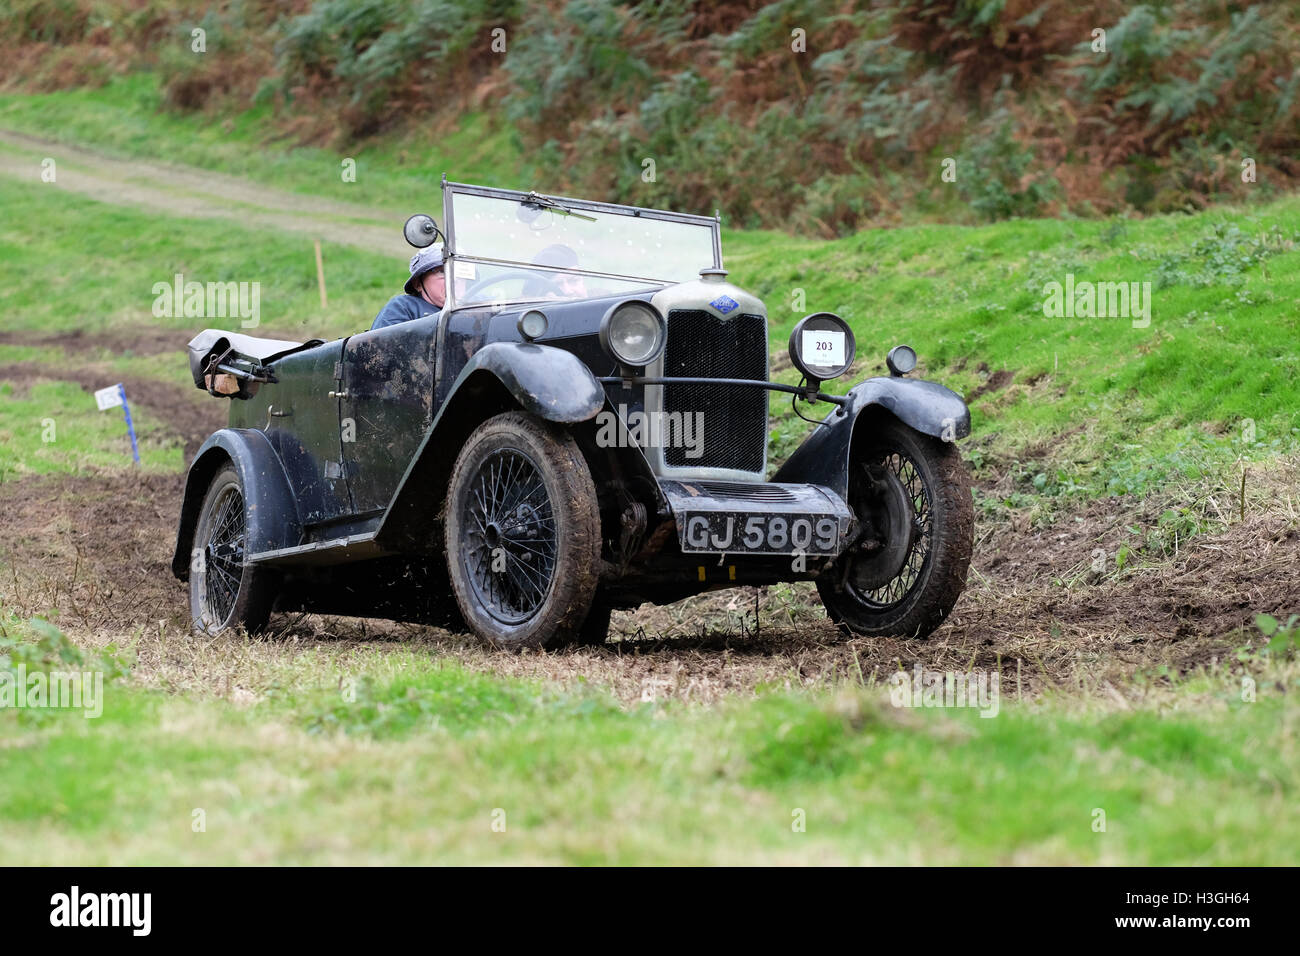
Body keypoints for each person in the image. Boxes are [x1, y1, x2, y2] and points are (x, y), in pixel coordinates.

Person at [370, 246, 446, 330]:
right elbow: (383, 342)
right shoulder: (402, 308)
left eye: (460, 272)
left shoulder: (462, 310)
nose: (454, 279)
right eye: (441, 271)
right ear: (418, 284)